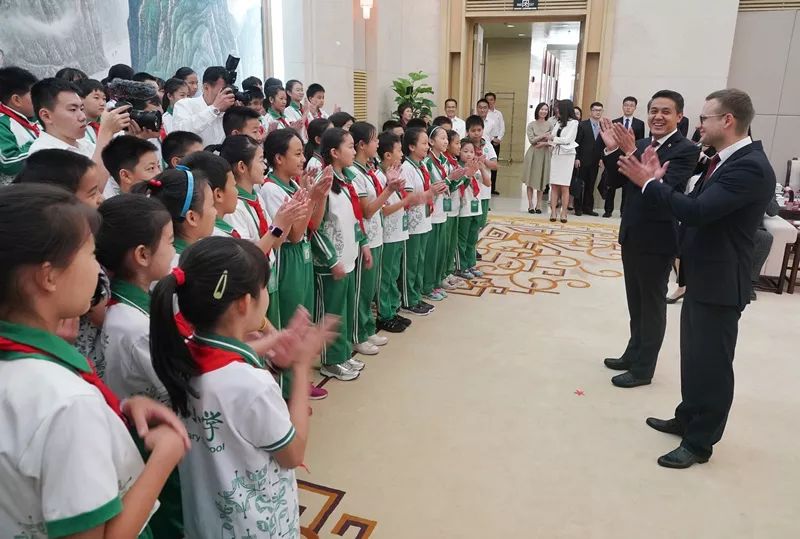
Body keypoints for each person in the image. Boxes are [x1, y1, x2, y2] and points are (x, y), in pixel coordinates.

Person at [0, 183, 189, 537]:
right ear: (48, 276)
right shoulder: (68, 404)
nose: (99, 269)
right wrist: (165, 453)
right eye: (90, 255)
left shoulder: (34, 374)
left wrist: (119, 410)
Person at [617, 88, 774, 468]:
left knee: (712, 364)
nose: (699, 124)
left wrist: (650, 183)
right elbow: (695, 206)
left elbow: (698, 212)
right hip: (703, 275)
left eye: (705, 118)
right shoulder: (723, 161)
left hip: (721, 281)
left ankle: (700, 442)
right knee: (694, 356)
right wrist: (656, 181)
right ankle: (687, 417)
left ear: (728, 121)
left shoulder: (750, 166)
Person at [149, 235, 335, 538]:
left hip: (206, 523)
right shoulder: (251, 385)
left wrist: (275, 350)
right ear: (244, 303)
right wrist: (302, 367)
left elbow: (224, 370)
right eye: (264, 287)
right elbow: (292, 454)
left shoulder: (180, 354)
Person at [599, 89, 700, 388]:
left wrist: (630, 152)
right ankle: (633, 353)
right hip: (632, 233)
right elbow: (615, 181)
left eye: (666, 111)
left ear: (679, 116)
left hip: (658, 239)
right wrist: (612, 151)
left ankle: (644, 369)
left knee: (652, 305)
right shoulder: (641, 143)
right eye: (654, 110)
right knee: (636, 302)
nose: (658, 116)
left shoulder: (686, 150)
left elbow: (664, 192)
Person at [260, 128, 328, 400]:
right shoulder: (271, 189)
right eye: (297, 154)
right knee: (290, 320)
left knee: (303, 317)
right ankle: (288, 389)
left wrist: (319, 195)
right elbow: (295, 234)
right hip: (288, 257)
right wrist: (312, 197)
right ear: (278, 158)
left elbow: (313, 225)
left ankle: (299, 380)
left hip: (303, 254)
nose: (303, 159)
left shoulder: (293, 185)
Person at [311, 128, 370, 380]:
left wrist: (363, 243)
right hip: (330, 262)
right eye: (350, 146)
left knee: (344, 309)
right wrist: (331, 259)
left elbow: (354, 216)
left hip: (348, 256)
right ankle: (331, 361)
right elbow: (314, 227)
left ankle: (343, 353)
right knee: (332, 313)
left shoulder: (346, 179)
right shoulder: (323, 182)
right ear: (334, 152)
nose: (354, 151)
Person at [350, 122, 403, 354]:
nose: (378, 144)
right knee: (362, 290)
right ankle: (358, 334)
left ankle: (367, 328)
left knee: (370, 289)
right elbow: (368, 211)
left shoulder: (368, 170)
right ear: (362, 145)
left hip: (376, 235)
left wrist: (390, 187)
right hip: (366, 238)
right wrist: (389, 190)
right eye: (374, 140)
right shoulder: (355, 173)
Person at [28, 77, 128, 190]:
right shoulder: (42, 155)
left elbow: (112, 179)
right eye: (72, 110)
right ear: (46, 116)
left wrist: (134, 137)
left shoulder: (84, 143)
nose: (82, 117)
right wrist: (106, 132)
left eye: (81, 109)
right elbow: (91, 191)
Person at [374, 130, 415, 333]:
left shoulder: (395, 173)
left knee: (394, 273)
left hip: (399, 230)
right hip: (388, 234)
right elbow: (384, 209)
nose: (402, 154)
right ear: (387, 155)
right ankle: (384, 314)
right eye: (399, 150)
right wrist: (407, 200)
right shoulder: (379, 177)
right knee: (386, 275)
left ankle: (392, 308)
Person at [399, 127, 436, 316]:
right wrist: (429, 194)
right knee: (411, 264)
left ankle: (416, 295)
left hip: (423, 221)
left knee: (420, 261)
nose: (427, 146)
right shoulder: (406, 168)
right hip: (412, 224)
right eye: (424, 143)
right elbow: (407, 198)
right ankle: (408, 300)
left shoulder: (420, 166)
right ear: (412, 146)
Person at [423, 124, 457, 302]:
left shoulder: (443, 162)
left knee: (441, 251)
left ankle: (436, 282)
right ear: (431, 141)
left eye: (446, 138)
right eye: (442, 138)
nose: (445, 141)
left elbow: (449, 187)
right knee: (431, 254)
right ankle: (428, 286)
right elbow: (433, 188)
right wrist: (450, 179)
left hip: (443, 211)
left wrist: (463, 176)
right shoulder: (427, 163)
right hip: (432, 213)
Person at [604, 97, 645, 217]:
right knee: (611, 184)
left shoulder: (639, 124)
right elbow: (609, 140)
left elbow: (640, 142)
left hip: (630, 158)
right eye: (626, 105)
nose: (628, 108)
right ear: (622, 106)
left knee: (627, 187)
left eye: (631, 105)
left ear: (635, 108)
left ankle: (624, 211)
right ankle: (608, 210)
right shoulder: (615, 122)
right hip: (615, 157)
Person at [172, 66, 235, 145]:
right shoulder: (184, 104)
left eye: (227, 92)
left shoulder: (227, 111)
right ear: (206, 87)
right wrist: (214, 109)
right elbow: (180, 132)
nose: (224, 96)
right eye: (221, 91)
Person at [0, 66, 39, 185]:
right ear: (16, 100)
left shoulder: (32, 118)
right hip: (16, 193)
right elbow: (8, 162)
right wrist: (43, 143)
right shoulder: (2, 123)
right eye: (35, 96)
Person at [455, 139, 487, 279]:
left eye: (472, 152)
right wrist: (468, 173)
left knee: (473, 239)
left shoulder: (476, 168)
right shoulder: (458, 168)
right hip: (464, 209)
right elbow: (461, 186)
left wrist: (482, 167)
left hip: (476, 208)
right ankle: (461, 266)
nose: (469, 154)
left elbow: (487, 182)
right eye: (465, 151)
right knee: (462, 240)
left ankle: (471, 264)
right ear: (459, 152)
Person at [546, 99, 579, 223]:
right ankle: (553, 212)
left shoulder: (574, 123)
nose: (557, 110)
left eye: (559, 108)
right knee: (554, 185)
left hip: (567, 156)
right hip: (556, 155)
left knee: (565, 186)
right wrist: (551, 140)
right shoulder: (558, 122)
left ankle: (564, 212)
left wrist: (553, 138)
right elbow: (552, 138)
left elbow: (567, 139)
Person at [573, 101, 605, 216]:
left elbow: (603, 145)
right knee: (580, 184)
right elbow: (577, 142)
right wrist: (576, 158)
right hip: (582, 160)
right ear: (591, 112)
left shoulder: (603, 127)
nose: (598, 112)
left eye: (600, 110)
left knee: (591, 185)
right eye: (595, 110)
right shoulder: (582, 125)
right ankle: (578, 208)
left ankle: (588, 208)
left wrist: (602, 158)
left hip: (595, 161)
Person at [521, 102, 552, 214]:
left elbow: (552, 141)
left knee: (541, 180)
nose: (544, 111)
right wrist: (543, 136)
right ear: (538, 110)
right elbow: (532, 140)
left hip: (545, 154)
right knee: (530, 180)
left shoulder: (550, 125)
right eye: (542, 109)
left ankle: (539, 204)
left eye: (546, 109)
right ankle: (530, 204)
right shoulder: (531, 125)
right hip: (533, 154)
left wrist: (544, 141)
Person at [484, 92, 505, 195]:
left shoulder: (498, 114)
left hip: (496, 141)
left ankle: (493, 188)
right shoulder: (484, 113)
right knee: (485, 164)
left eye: (491, 100)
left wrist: (499, 139)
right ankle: (486, 185)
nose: (489, 102)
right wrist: (492, 139)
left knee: (494, 164)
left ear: (494, 101)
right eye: (487, 100)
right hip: (487, 140)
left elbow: (502, 127)